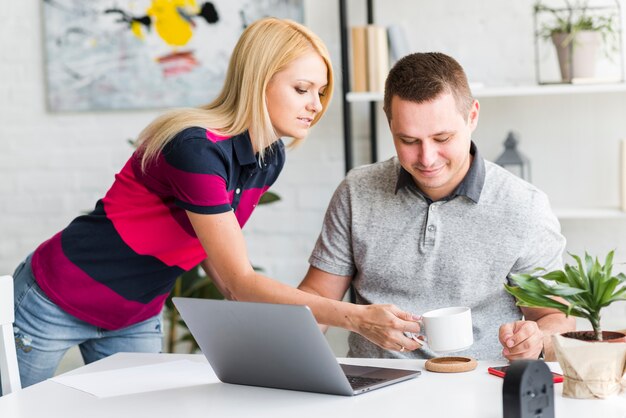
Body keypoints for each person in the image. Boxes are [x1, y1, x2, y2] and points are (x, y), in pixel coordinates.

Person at [7, 17, 421, 391]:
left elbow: (219, 259)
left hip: (134, 315)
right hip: (54, 300)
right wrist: (356, 318)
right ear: (259, 81)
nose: (315, 104)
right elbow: (240, 279)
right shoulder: (194, 149)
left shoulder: (269, 157)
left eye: (320, 91)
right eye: (302, 89)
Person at [298, 52, 575, 361]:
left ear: (472, 117)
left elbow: (556, 318)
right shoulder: (357, 191)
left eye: (442, 138)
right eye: (408, 140)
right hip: (373, 388)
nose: (427, 158)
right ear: (390, 124)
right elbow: (319, 299)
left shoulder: (524, 206)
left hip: (477, 385)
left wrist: (537, 340)